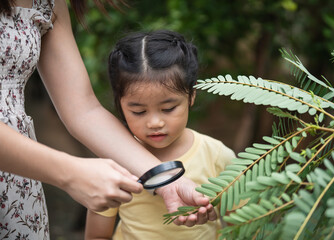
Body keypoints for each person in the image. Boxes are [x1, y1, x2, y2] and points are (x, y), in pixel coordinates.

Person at [0, 0, 216, 238]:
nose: (155, 122)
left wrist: (165, 179)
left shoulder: (49, 3)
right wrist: (71, 174)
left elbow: (83, 110)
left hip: (17, 185)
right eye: (139, 111)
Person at [84, 30, 236, 240]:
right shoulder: (115, 163)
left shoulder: (218, 157)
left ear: (191, 96)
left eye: (168, 109)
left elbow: (243, 228)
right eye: (138, 112)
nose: (155, 123)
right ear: (120, 104)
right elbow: (97, 235)